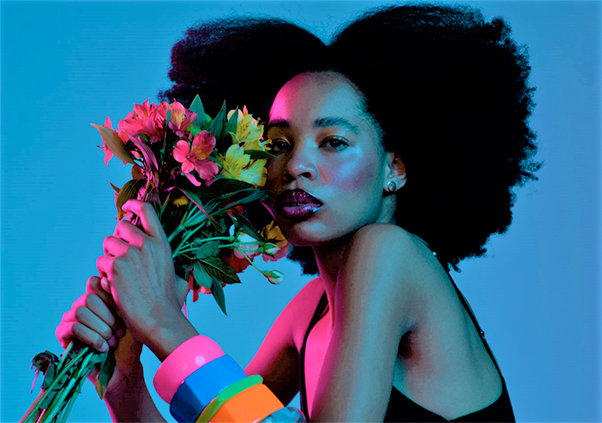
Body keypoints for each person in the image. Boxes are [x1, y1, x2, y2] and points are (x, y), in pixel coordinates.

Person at [55, 3, 539, 422]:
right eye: (279, 144)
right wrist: (124, 379)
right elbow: (236, 418)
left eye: (333, 143)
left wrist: (163, 321)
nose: (296, 166)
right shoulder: (310, 313)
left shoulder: (391, 254)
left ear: (394, 167)